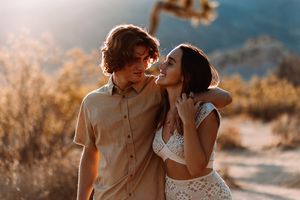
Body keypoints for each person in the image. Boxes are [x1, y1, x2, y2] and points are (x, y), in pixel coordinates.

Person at [74, 24, 232, 200]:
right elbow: (89, 155)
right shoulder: (92, 103)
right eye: (134, 59)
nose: (141, 66)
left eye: (145, 59)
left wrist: (188, 100)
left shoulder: (158, 88)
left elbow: (223, 97)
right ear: (116, 58)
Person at [153, 43, 232, 199]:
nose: (161, 65)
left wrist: (188, 121)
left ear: (185, 75)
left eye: (170, 63)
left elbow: (196, 168)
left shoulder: (205, 112)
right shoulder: (161, 108)